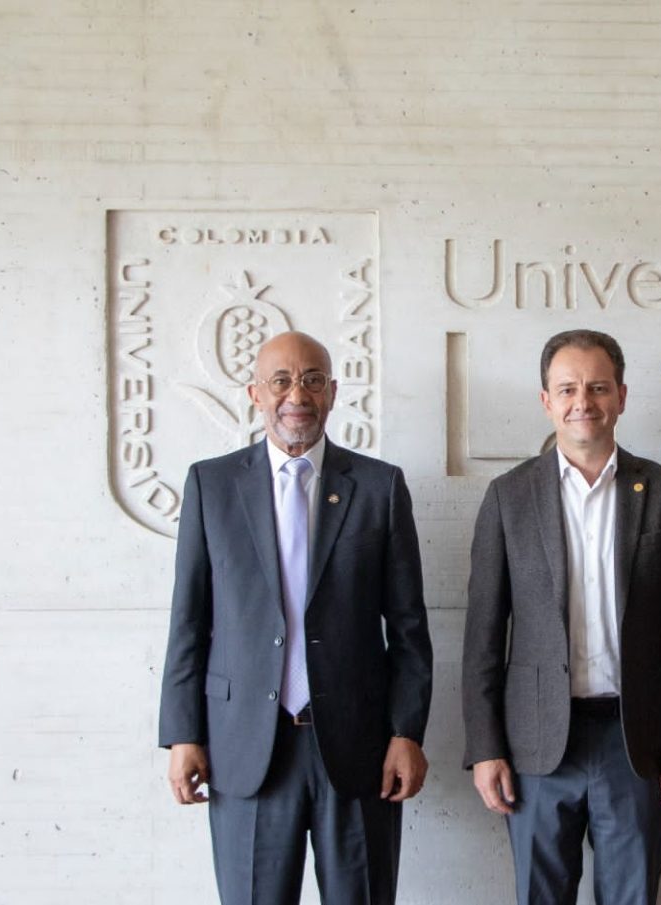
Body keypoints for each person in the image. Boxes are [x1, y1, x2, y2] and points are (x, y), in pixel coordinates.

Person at [158, 331, 434, 905]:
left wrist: (406, 732)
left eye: (312, 380)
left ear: (332, 392)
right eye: (281, 381)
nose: (297, 395)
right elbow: (190, 621)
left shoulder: (379, 487)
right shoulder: (212, 485)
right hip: (245, 746)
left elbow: (408, 628)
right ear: (255, 393)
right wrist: (183, 734)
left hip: (359, 748)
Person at [462, 329, 661, 905]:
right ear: (546, 400)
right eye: (568, 388)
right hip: (534, 746)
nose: (584, 401)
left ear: (621, 396)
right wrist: (485, 748)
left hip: (637, 743)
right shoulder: (508, 497)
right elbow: (482, 636)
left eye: (598, 387)